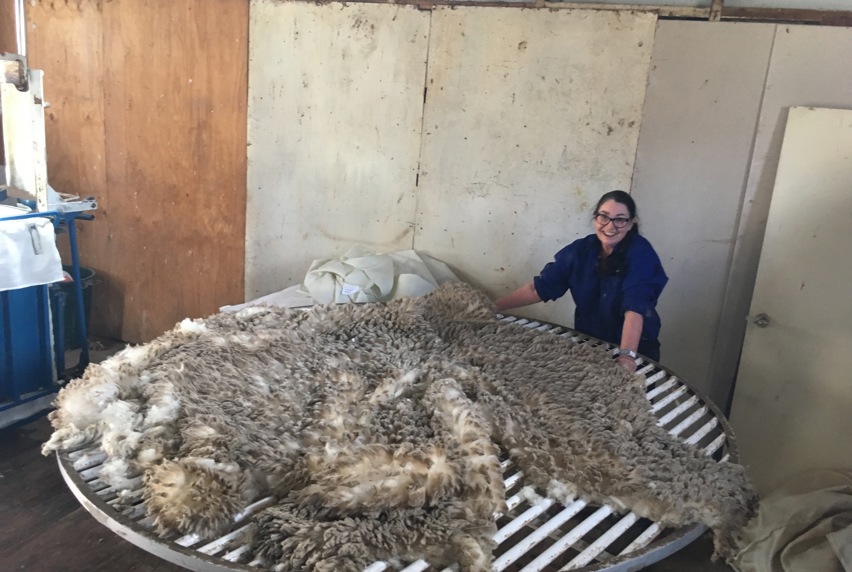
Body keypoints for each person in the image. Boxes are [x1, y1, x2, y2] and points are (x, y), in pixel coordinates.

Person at [495, 190, 667, 372]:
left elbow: (635, 308)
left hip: (636, 350)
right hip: (591, 341)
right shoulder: (581, 251)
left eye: (620, 219)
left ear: (631, 223)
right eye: (604, 217)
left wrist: (626, 356)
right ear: (595, 218)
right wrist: (493, 307)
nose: (610, 226)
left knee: (630, 396)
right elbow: (539, 288)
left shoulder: (641, 255)